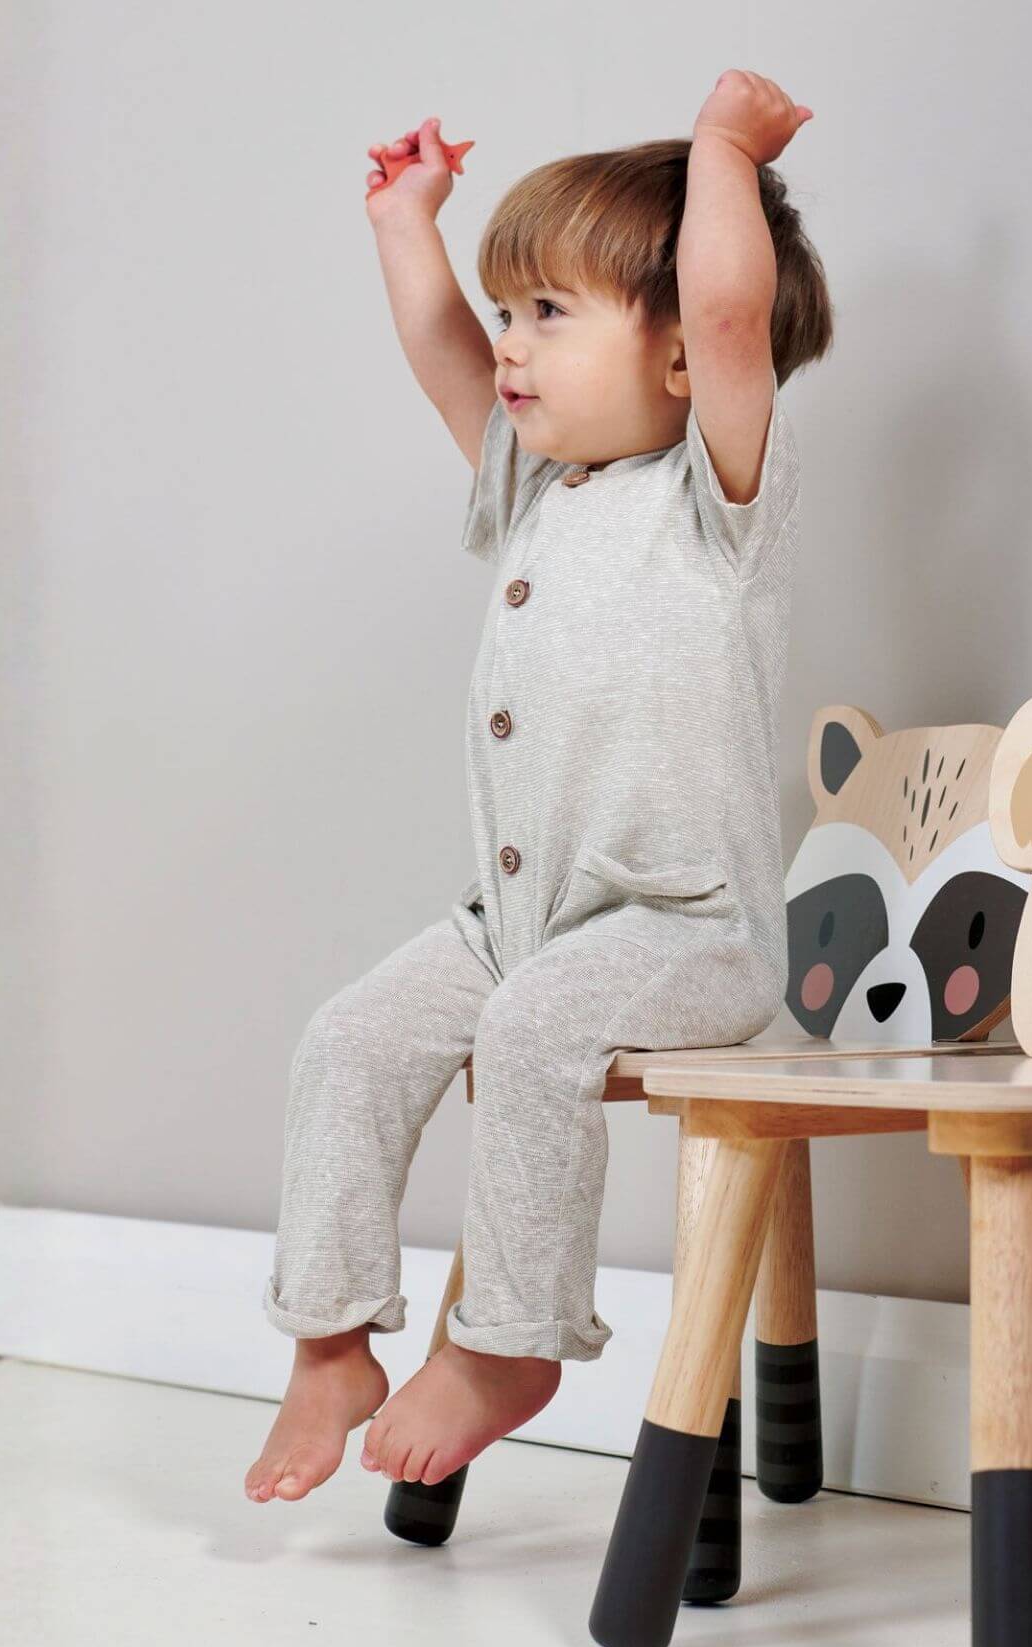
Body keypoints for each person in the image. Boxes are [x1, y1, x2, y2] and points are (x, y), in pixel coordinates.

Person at [246, 72, 832, 1503]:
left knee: (530, 1030)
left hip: (688, 928)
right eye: (514, 313)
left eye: (550, 316)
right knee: (347, 1042)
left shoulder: (714, 501)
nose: (509, 349)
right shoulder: (531, 485)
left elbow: (736, 309)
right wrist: (403, 225)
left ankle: (513, 1341)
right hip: (524, 923)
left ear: (683, 355)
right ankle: (330, 1343)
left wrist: (722, 156)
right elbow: (446, 358)